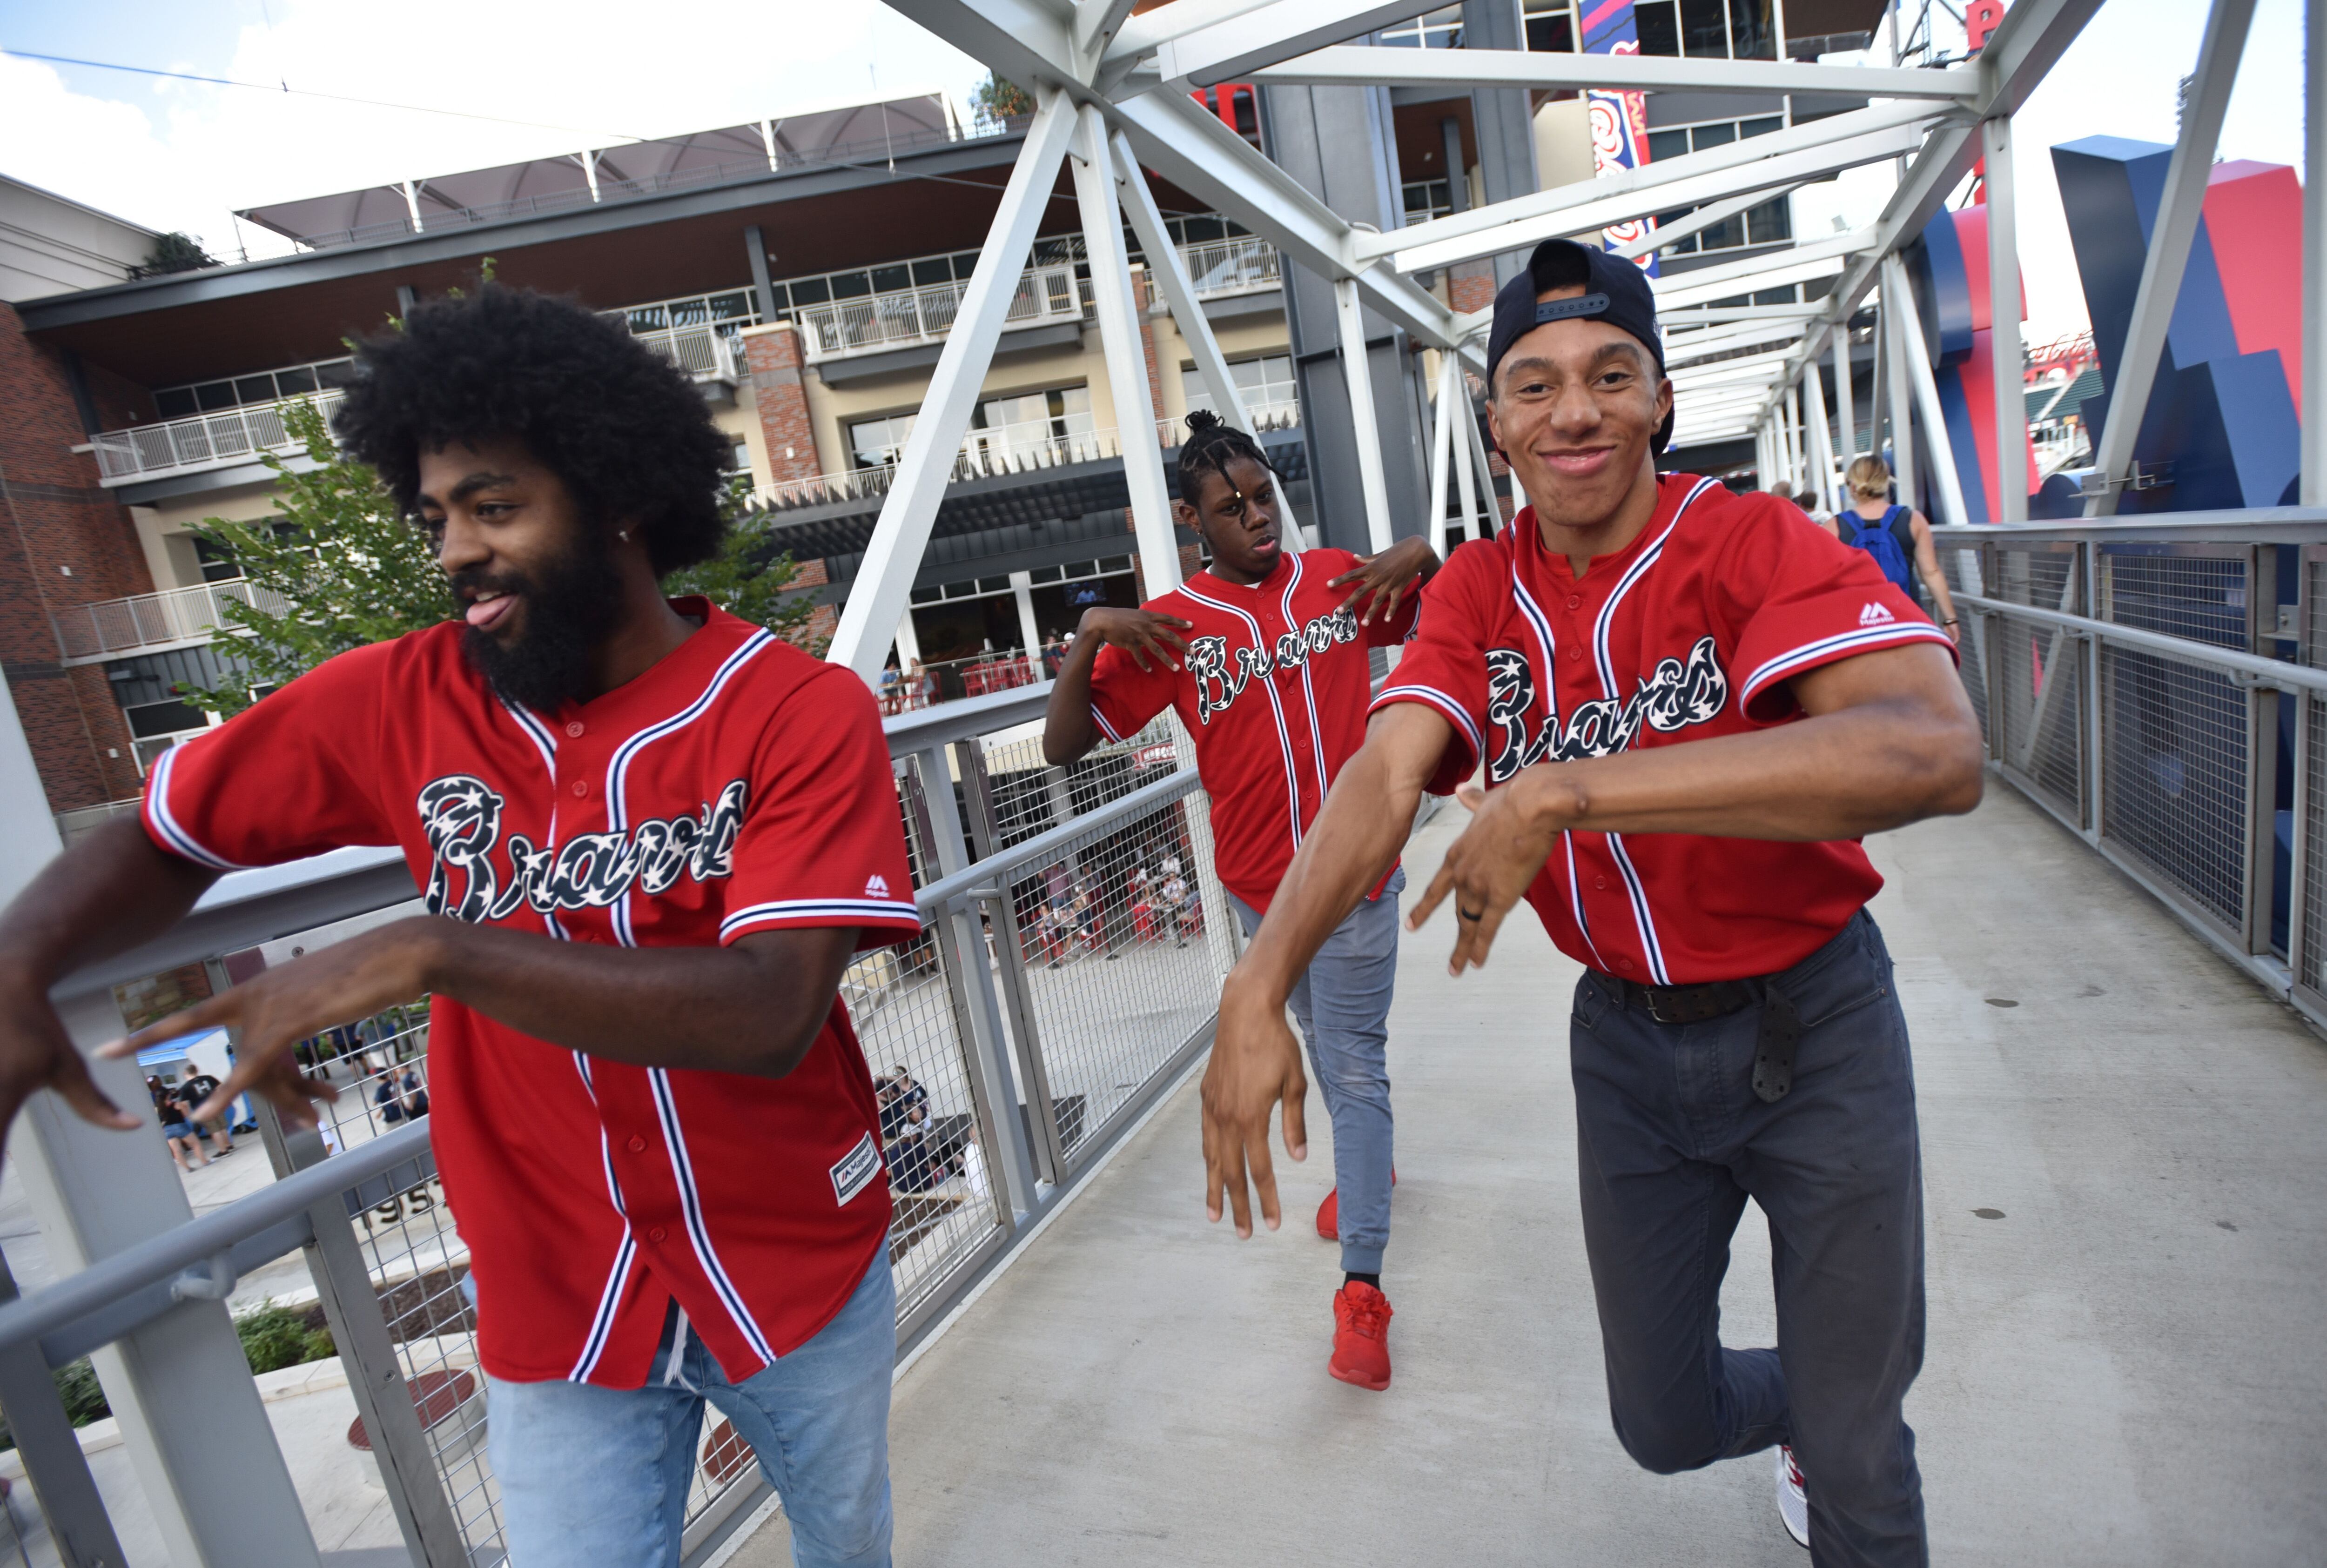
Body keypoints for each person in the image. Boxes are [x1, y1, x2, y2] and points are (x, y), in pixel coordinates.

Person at [0, 286, 923, 1568]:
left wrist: (434, 950)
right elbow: (169, 833)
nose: (456, 551)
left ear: (618, 500)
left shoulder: (792, 708)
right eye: (436, 516)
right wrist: (21, 961)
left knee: (847, 1546)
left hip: (789, 1260)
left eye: (496, 507)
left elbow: (769, 1010)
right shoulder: (401, 695)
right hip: (555, 1289)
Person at [1202, 238, 1981, 1563]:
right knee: (1665, 1423)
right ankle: (1827, 1384)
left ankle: (1846, 1415)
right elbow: (1387, 773)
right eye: (1537, 383)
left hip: (1816, 1023)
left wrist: (1567, 790)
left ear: (1661, 399)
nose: (1577, 410)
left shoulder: (1745, 539)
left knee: (1862, 1465)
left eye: (1612, 375)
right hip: (1628, 1044)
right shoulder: (1479, 590)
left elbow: (1934, 748)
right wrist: (1256, 983)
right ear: (1495, 420)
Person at [1043, 408, 1439, 1391]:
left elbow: (1453, 600)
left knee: (1352, 1066)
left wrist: (1425, 551)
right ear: (1194, 521)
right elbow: (1061, 746)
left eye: (1264, 498)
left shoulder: (1335, 578)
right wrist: (1093, 628)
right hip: (1258, 893)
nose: (1258, 518)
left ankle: (1361, 1292)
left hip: (1354, 877)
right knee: (1309, 1033)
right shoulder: (1171, 628)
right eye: (1232, 507)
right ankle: (1366, 1159)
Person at [1825, 456, 1962, 644]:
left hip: (1856, 624)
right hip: (1907, 618)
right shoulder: (1913, 519)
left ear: (1853, 486)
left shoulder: (1834, 526)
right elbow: (1931, 572)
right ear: (1885, 483)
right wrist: (1950, 619)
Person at [149, 1076, 208, 1173]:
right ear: (168, 1095)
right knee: (196, 1144)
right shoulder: (176, 1104)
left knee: (177, 1151)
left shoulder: (158, 1108)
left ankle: (188, 1168)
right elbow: (186, 1115)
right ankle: (205, 1162)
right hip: (180, 1127)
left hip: (167, 1130)